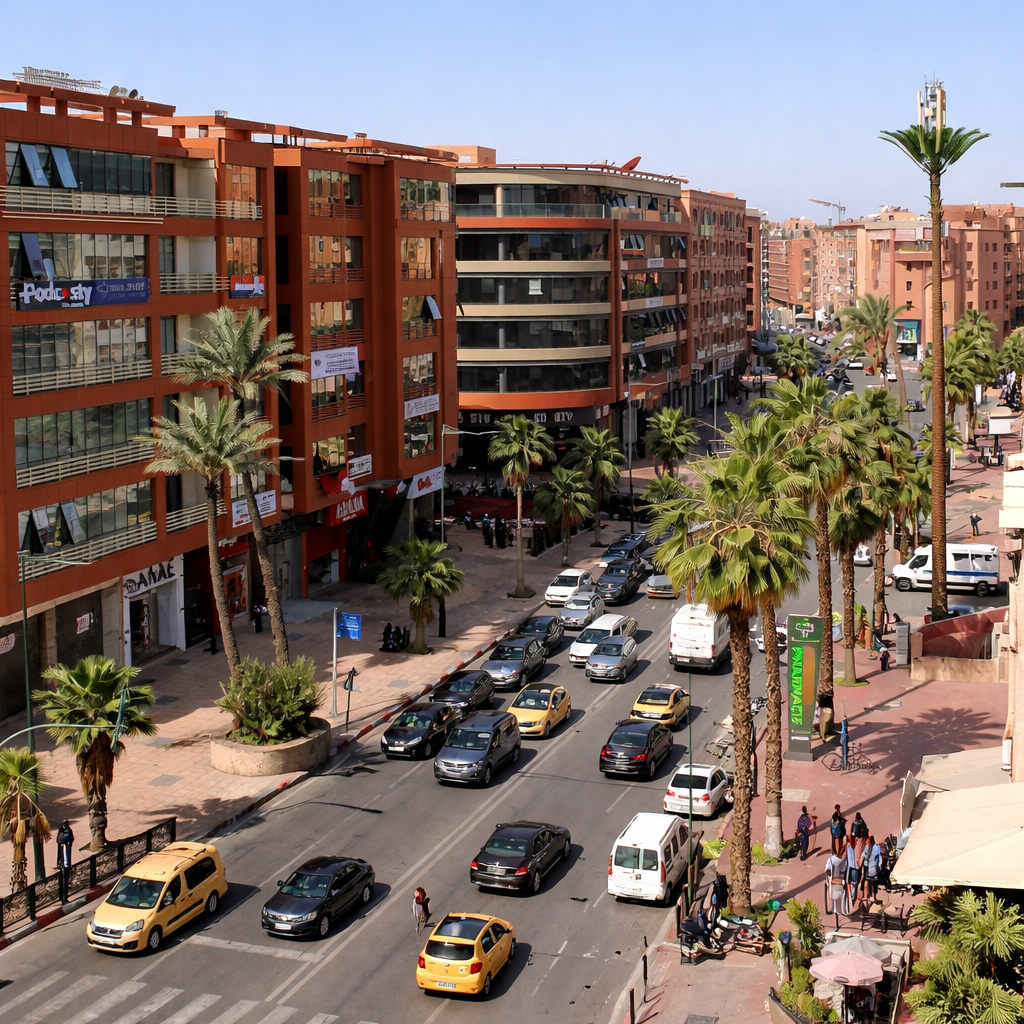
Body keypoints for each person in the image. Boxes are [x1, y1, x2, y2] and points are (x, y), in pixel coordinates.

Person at [865, 835, 883, 902]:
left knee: (869, 882)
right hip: (875, 869)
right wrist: (879, 867)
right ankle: (874, 896)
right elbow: (879, 858)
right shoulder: (877, 847)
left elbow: (864, 857)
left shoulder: (866, 848)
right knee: (875, 884)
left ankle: (869, 895)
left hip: (869, 869)